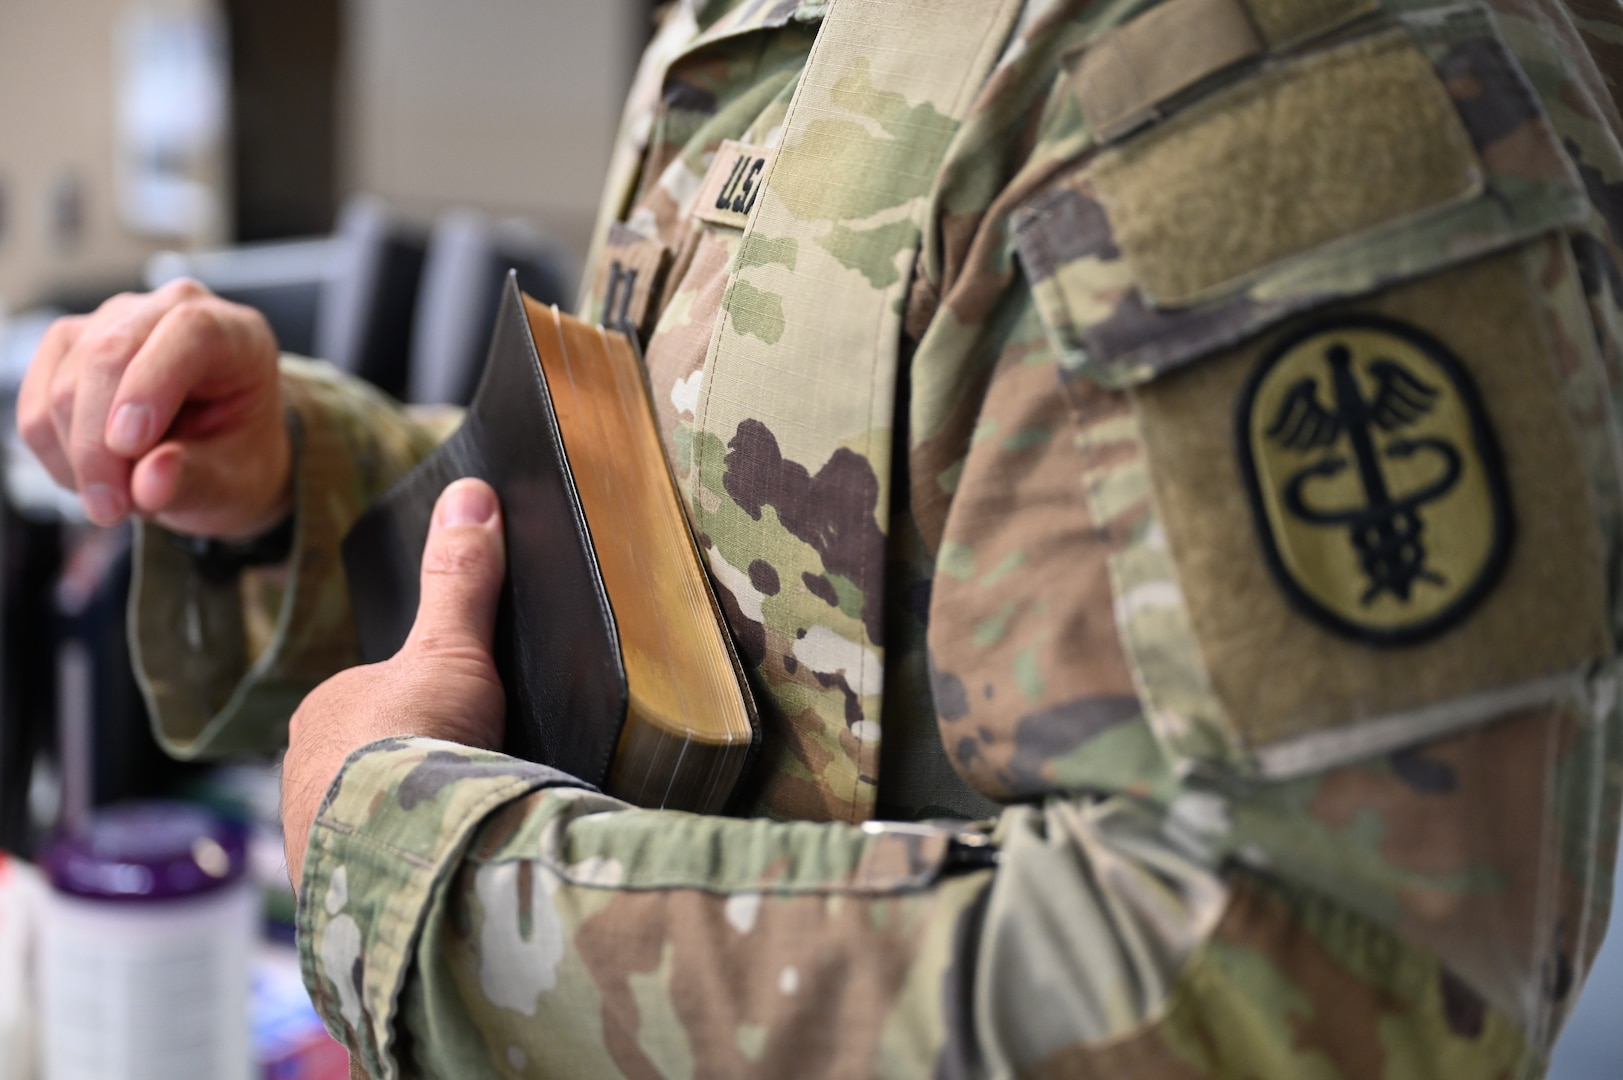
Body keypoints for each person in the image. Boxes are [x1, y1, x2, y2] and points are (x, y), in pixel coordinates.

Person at [20, 0, 1623, 1074]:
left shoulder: (1243, 70)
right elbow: (708, 591)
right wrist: (289, 493)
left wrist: (426, 883)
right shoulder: (763, 28)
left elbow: (1322, 985)